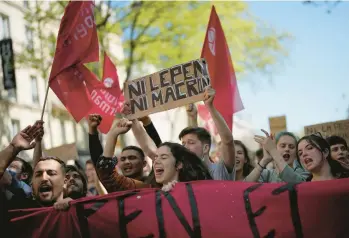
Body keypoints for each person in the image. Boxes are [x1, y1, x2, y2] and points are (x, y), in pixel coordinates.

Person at [179, 87, 236, 181]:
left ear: (206, 148)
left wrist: (210, 106)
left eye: (190, 143)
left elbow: (228, 141)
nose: (185, 147)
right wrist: (192, 117)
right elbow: (194, 138)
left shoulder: (220, 170)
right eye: (183, 144)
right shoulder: (185, 174)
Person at [245, 130, 310, 183]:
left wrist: (273, 151)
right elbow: (245, 186)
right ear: (276, 148)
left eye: (291, 147)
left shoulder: (304, 172)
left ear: (296, 153)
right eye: (283, 146)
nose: (287, 149)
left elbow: (297, 184)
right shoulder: (267, 174)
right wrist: (265, 160)